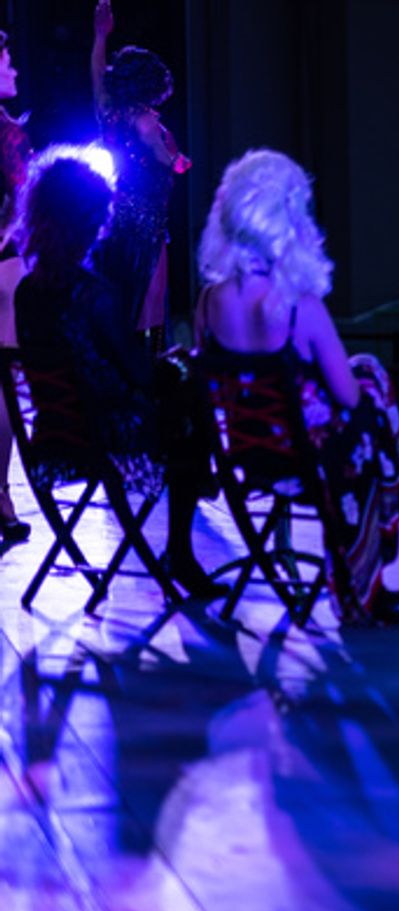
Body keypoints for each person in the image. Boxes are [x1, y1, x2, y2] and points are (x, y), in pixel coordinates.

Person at [195, 149, 399, 623]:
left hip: (249, 458)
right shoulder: (299, 306)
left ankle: (375, 543)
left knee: (366, 383)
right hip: (306, 465)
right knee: (372, 382)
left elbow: (214, 388)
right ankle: (376, 541)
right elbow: (348, 398)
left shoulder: (210, 301)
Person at [16, 148, 222, 596]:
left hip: (54, 437)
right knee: (191, 403)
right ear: (88, 220)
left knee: (185, 396)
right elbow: (141, 376)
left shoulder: (27, 292)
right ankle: (181, 550)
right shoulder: (96, 296)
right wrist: (178, 363)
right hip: (106, 438)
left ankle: (193, 506)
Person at [90, 0, 190, 339]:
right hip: (146, 218)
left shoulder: (109, 111)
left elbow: (97, 73)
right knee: (151, 298)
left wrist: (100, 37)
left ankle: (121, 354)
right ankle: (148, 362)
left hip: (116, 217)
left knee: (119, 294)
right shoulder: (146, 120)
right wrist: (178, 160)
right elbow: (169, 162)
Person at [0, 28, 30, 541]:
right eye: (6, 59)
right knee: (1, 381)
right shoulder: (8, 136)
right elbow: (24, 203)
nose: (15, 68)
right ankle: (0, 492)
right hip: (3, 266)